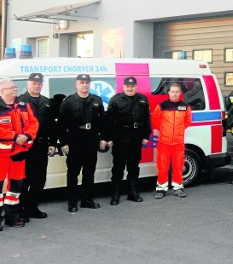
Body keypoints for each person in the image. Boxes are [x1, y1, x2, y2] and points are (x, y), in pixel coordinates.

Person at [0, 79, 39, 230]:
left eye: (15, 87)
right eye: (11, 87)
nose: (15, 89)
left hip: (19, 154)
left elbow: (34, 123)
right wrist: (15, 136)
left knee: (16, 187)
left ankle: (12, 217)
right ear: (2, 91)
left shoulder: (24, 106)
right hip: (0, 155)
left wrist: (26, 136)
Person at [58, 74, 106, 212]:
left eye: (87, 82)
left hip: (91, 141)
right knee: (73, 173)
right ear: (76, 84)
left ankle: (87, 200)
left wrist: (103, 137)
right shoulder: (68, 101)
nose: (84, 85)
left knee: (89, 172)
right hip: (75, 141)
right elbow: (61, 124)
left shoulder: (96, 100)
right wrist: (63, 142)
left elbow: (102, 122)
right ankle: (72, 202)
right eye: (82, 82)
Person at [105, 77, 152, 205]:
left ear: (136, 86)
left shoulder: (142, 99)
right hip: (120, 138)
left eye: (132, 86)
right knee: (118, 168)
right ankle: (115, 194)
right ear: (123, 87)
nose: (130, 88)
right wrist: (109, 138)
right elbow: (109, 120)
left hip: (136, 138)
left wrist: (146, 136)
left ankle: (133, 192)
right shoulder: (115, 99)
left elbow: (146, 118)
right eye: (127, 86)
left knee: (133, 167)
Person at [17, 73, 56, 220]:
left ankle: (33, 208)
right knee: (24, 179)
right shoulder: (19, 101)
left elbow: (53, 125)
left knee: (39, 179)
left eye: (39, 83)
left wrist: (52, 143)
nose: (37, 85)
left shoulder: (46, 102)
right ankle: (21, 209)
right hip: (25, 147)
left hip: (41, 145)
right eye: (34, 83)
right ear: (28, 84)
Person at [152, 82, 192, 199]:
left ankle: (178, 188)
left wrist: (178, 132)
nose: (174, 94)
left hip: (178, 143)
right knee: (163, 167)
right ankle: (161, 189)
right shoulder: (161, 106)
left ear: (180, 93)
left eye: (177, 92)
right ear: (168, 92)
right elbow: (155, 121)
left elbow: (187, 122)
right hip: (164, 142)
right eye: (172, 92)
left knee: (178, 166)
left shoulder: (185, 107)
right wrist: (165, 131)